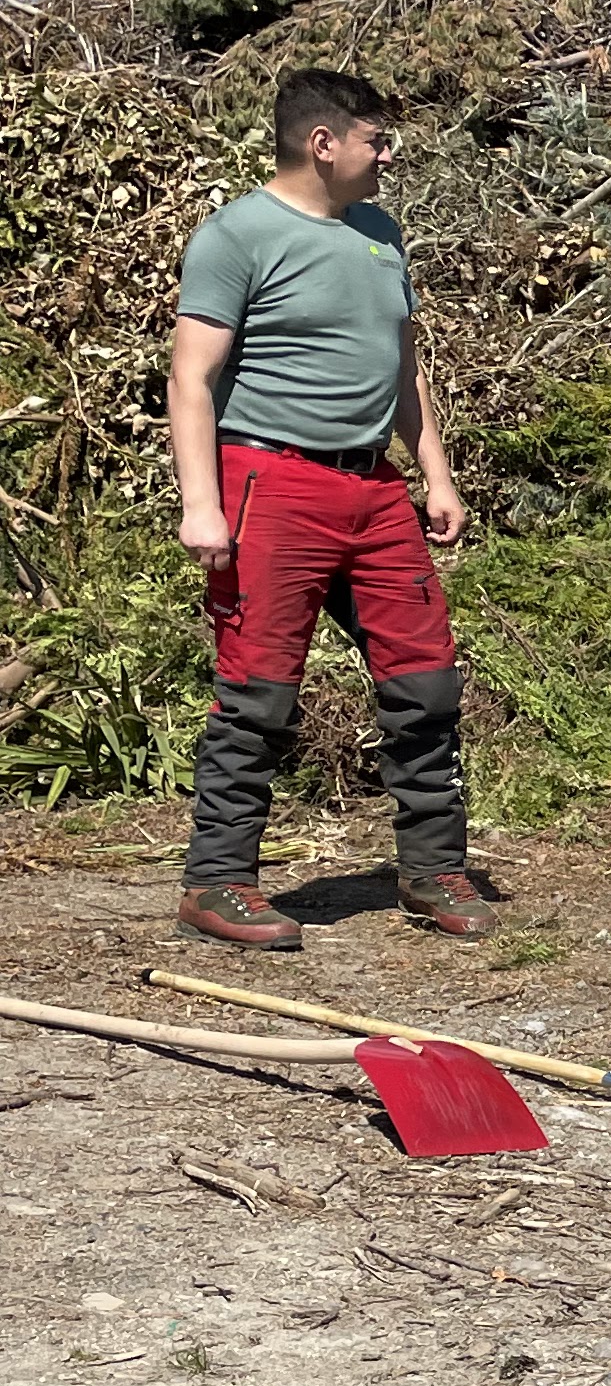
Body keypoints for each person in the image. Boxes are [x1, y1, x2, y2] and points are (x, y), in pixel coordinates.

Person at [166, 67, 488, 953]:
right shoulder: (238, 236)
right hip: (272, 483)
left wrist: (436, 474)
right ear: (324, 143)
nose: (388, 155)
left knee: (424, 680)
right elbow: (190, 379)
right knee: (260, 688)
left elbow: (404, 365)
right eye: (377, 140)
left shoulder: (379, 231)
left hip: (374, 486)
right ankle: (218, 883)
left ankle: (432, 870)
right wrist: (203, 506)